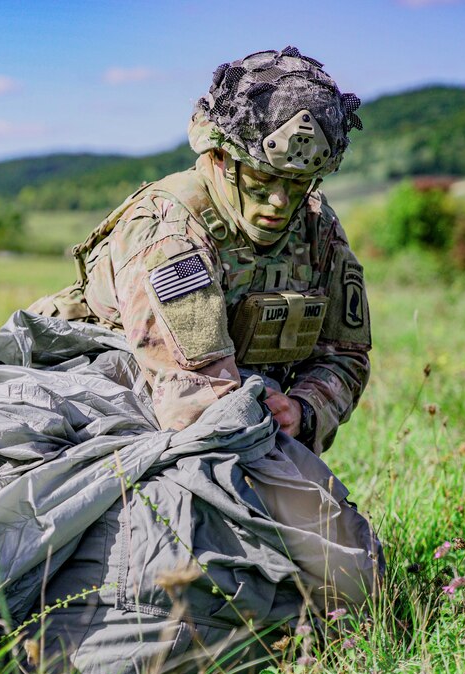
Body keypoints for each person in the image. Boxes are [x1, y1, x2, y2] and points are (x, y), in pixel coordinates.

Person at [29, 46, 370, 453]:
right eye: (263, 179)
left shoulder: (317, 226)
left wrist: (302, 409)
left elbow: (345, 356)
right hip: (105, 388)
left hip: (233, 403)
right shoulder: (169, 229)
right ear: (220, 157)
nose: (280, 201)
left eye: (297, 184)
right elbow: (194, 396)